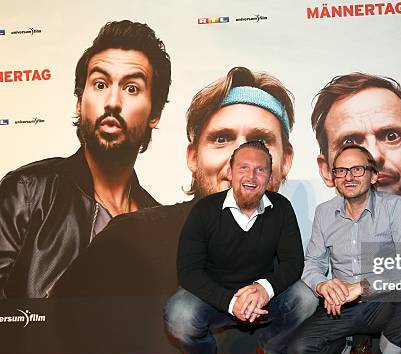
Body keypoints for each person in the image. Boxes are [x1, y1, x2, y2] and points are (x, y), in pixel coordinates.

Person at [53, 66, 296, 297]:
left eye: (259, 142)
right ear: (193, 157)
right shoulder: (129, 241)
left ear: (285, 161)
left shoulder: (300, 271)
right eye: (222, 139)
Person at [0, 20, 171, 298]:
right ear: (80, 102)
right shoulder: (28, 193)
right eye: (100, 84)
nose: (113, 101)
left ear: (155, 113)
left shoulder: (161, 227)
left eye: (132, 88)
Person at [164, 141, 317, 354]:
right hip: (213, 297)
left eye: (260, 169)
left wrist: (264, 289)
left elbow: (293, 262)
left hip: (262, 298)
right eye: (243, 168)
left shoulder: (281, 208)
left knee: (306, 299)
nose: (251, 176)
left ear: (269, 177)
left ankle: (270, 349)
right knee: (180, 314)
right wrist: (231, 301)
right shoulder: (204, 210)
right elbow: (188, 271)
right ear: (230, 172)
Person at [288, 145, 401, 354]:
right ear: (333, 177)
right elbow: (312, 263)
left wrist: (362, 287)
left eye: (357, 169)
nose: (349, 176)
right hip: (341, 306)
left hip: (382, 300)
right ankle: (352, 342)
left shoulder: (394, 206)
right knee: (300, 352)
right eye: (341, 170)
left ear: (373, 176)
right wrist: (322, 285)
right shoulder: (324, 212)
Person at [311, 72, 401, 244]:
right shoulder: (319, 237)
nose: (375, 156)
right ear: (327, 170)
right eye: (350, 142)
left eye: (391, 136)